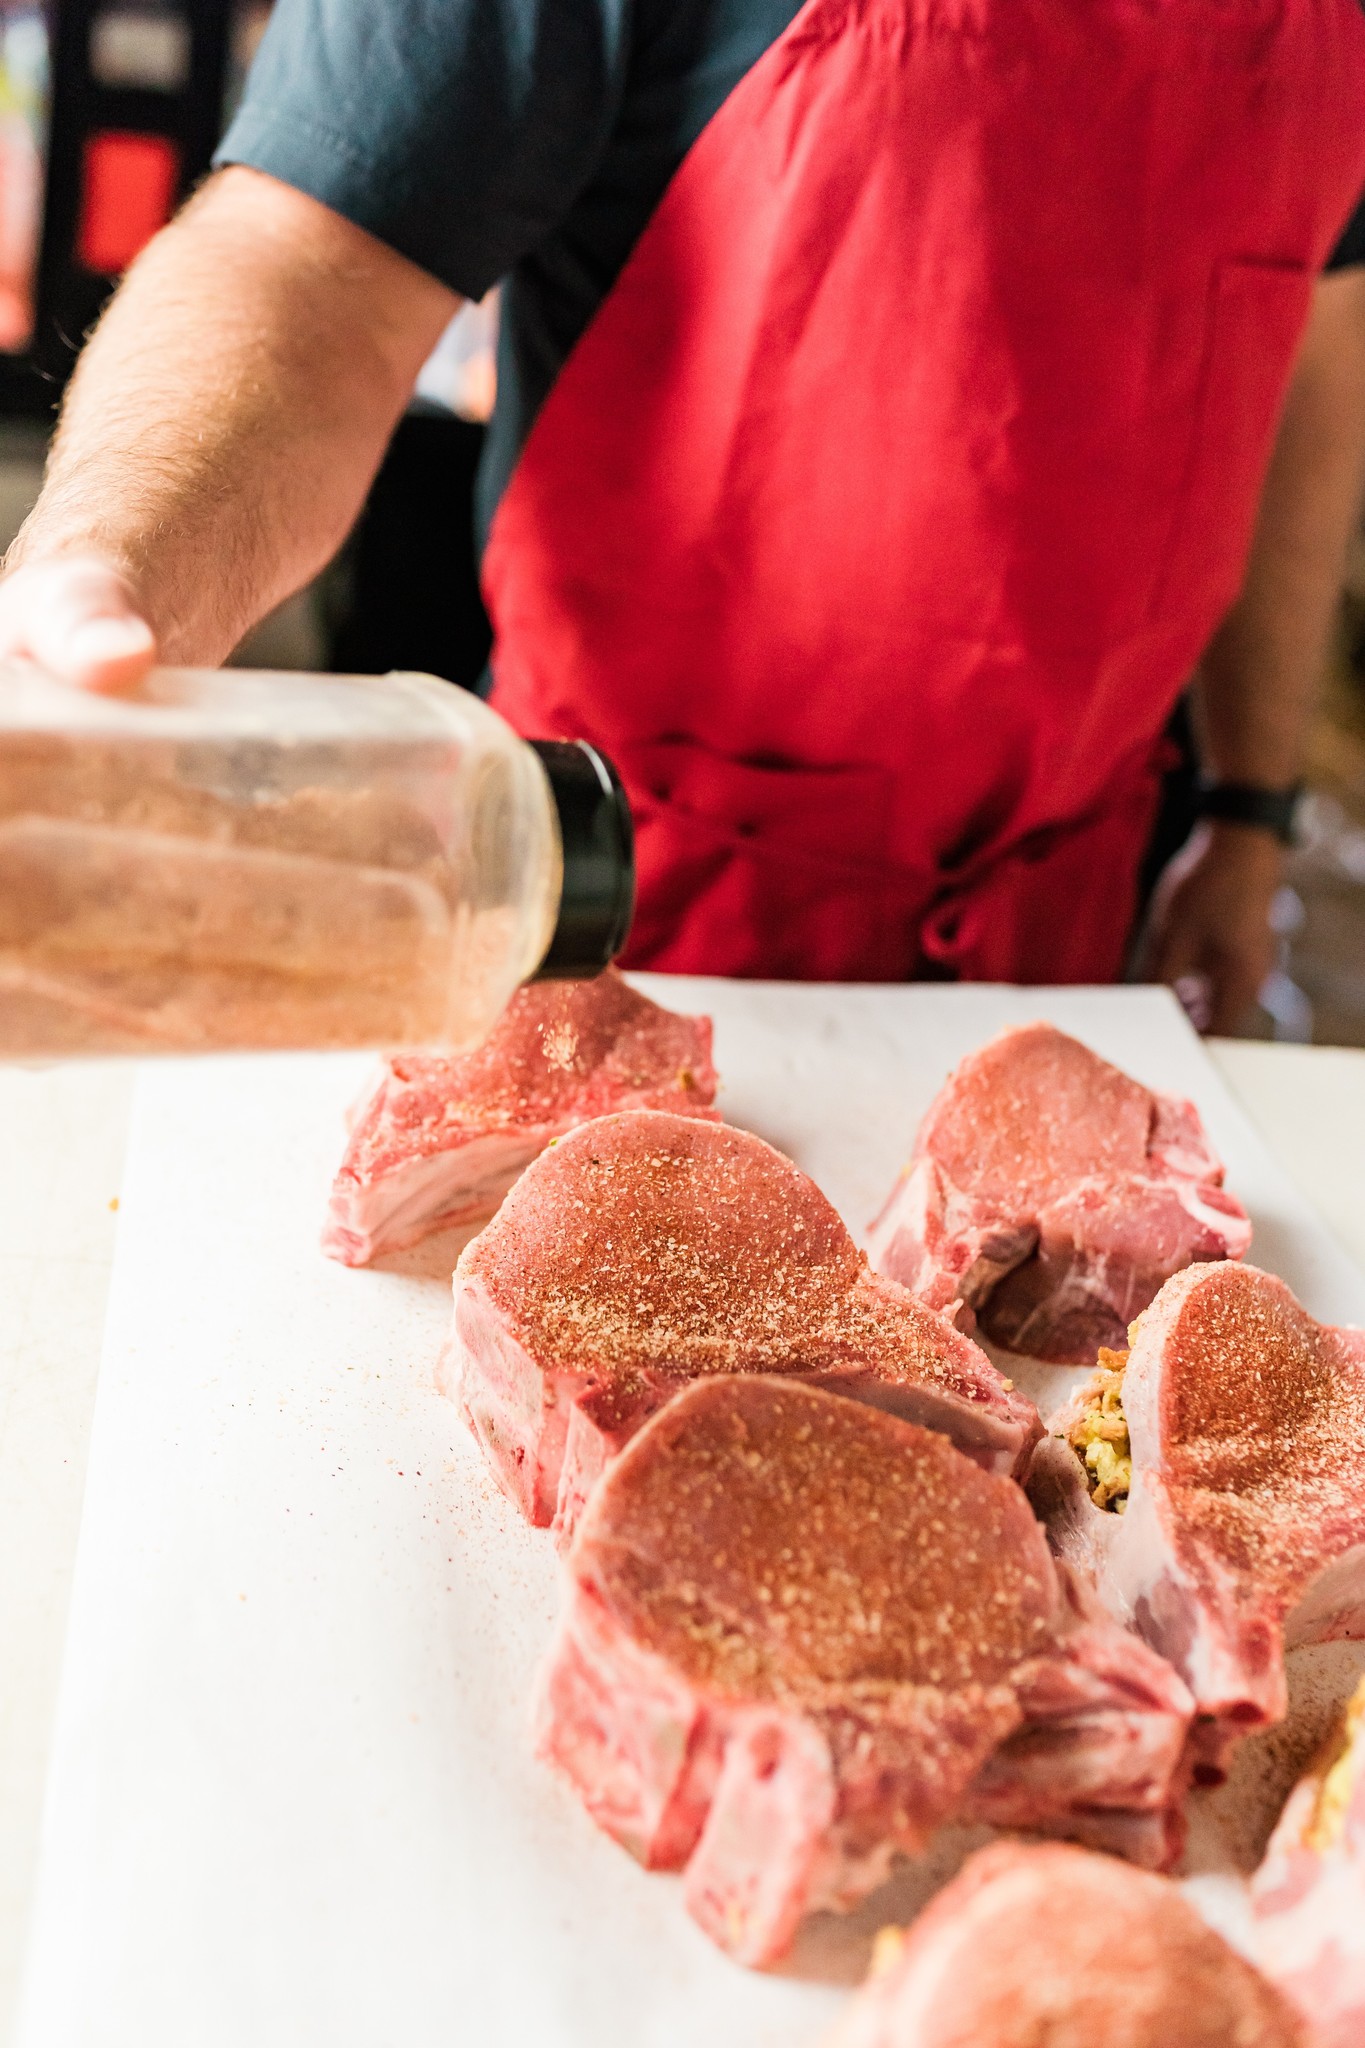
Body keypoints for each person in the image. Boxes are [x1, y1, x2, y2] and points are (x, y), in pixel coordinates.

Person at [2, 0, 1365, 1032]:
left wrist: (1246, 806)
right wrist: (105, 568)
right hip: (609, 906)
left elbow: (1310, 346)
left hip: (1070, 923)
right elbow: (311, 266)